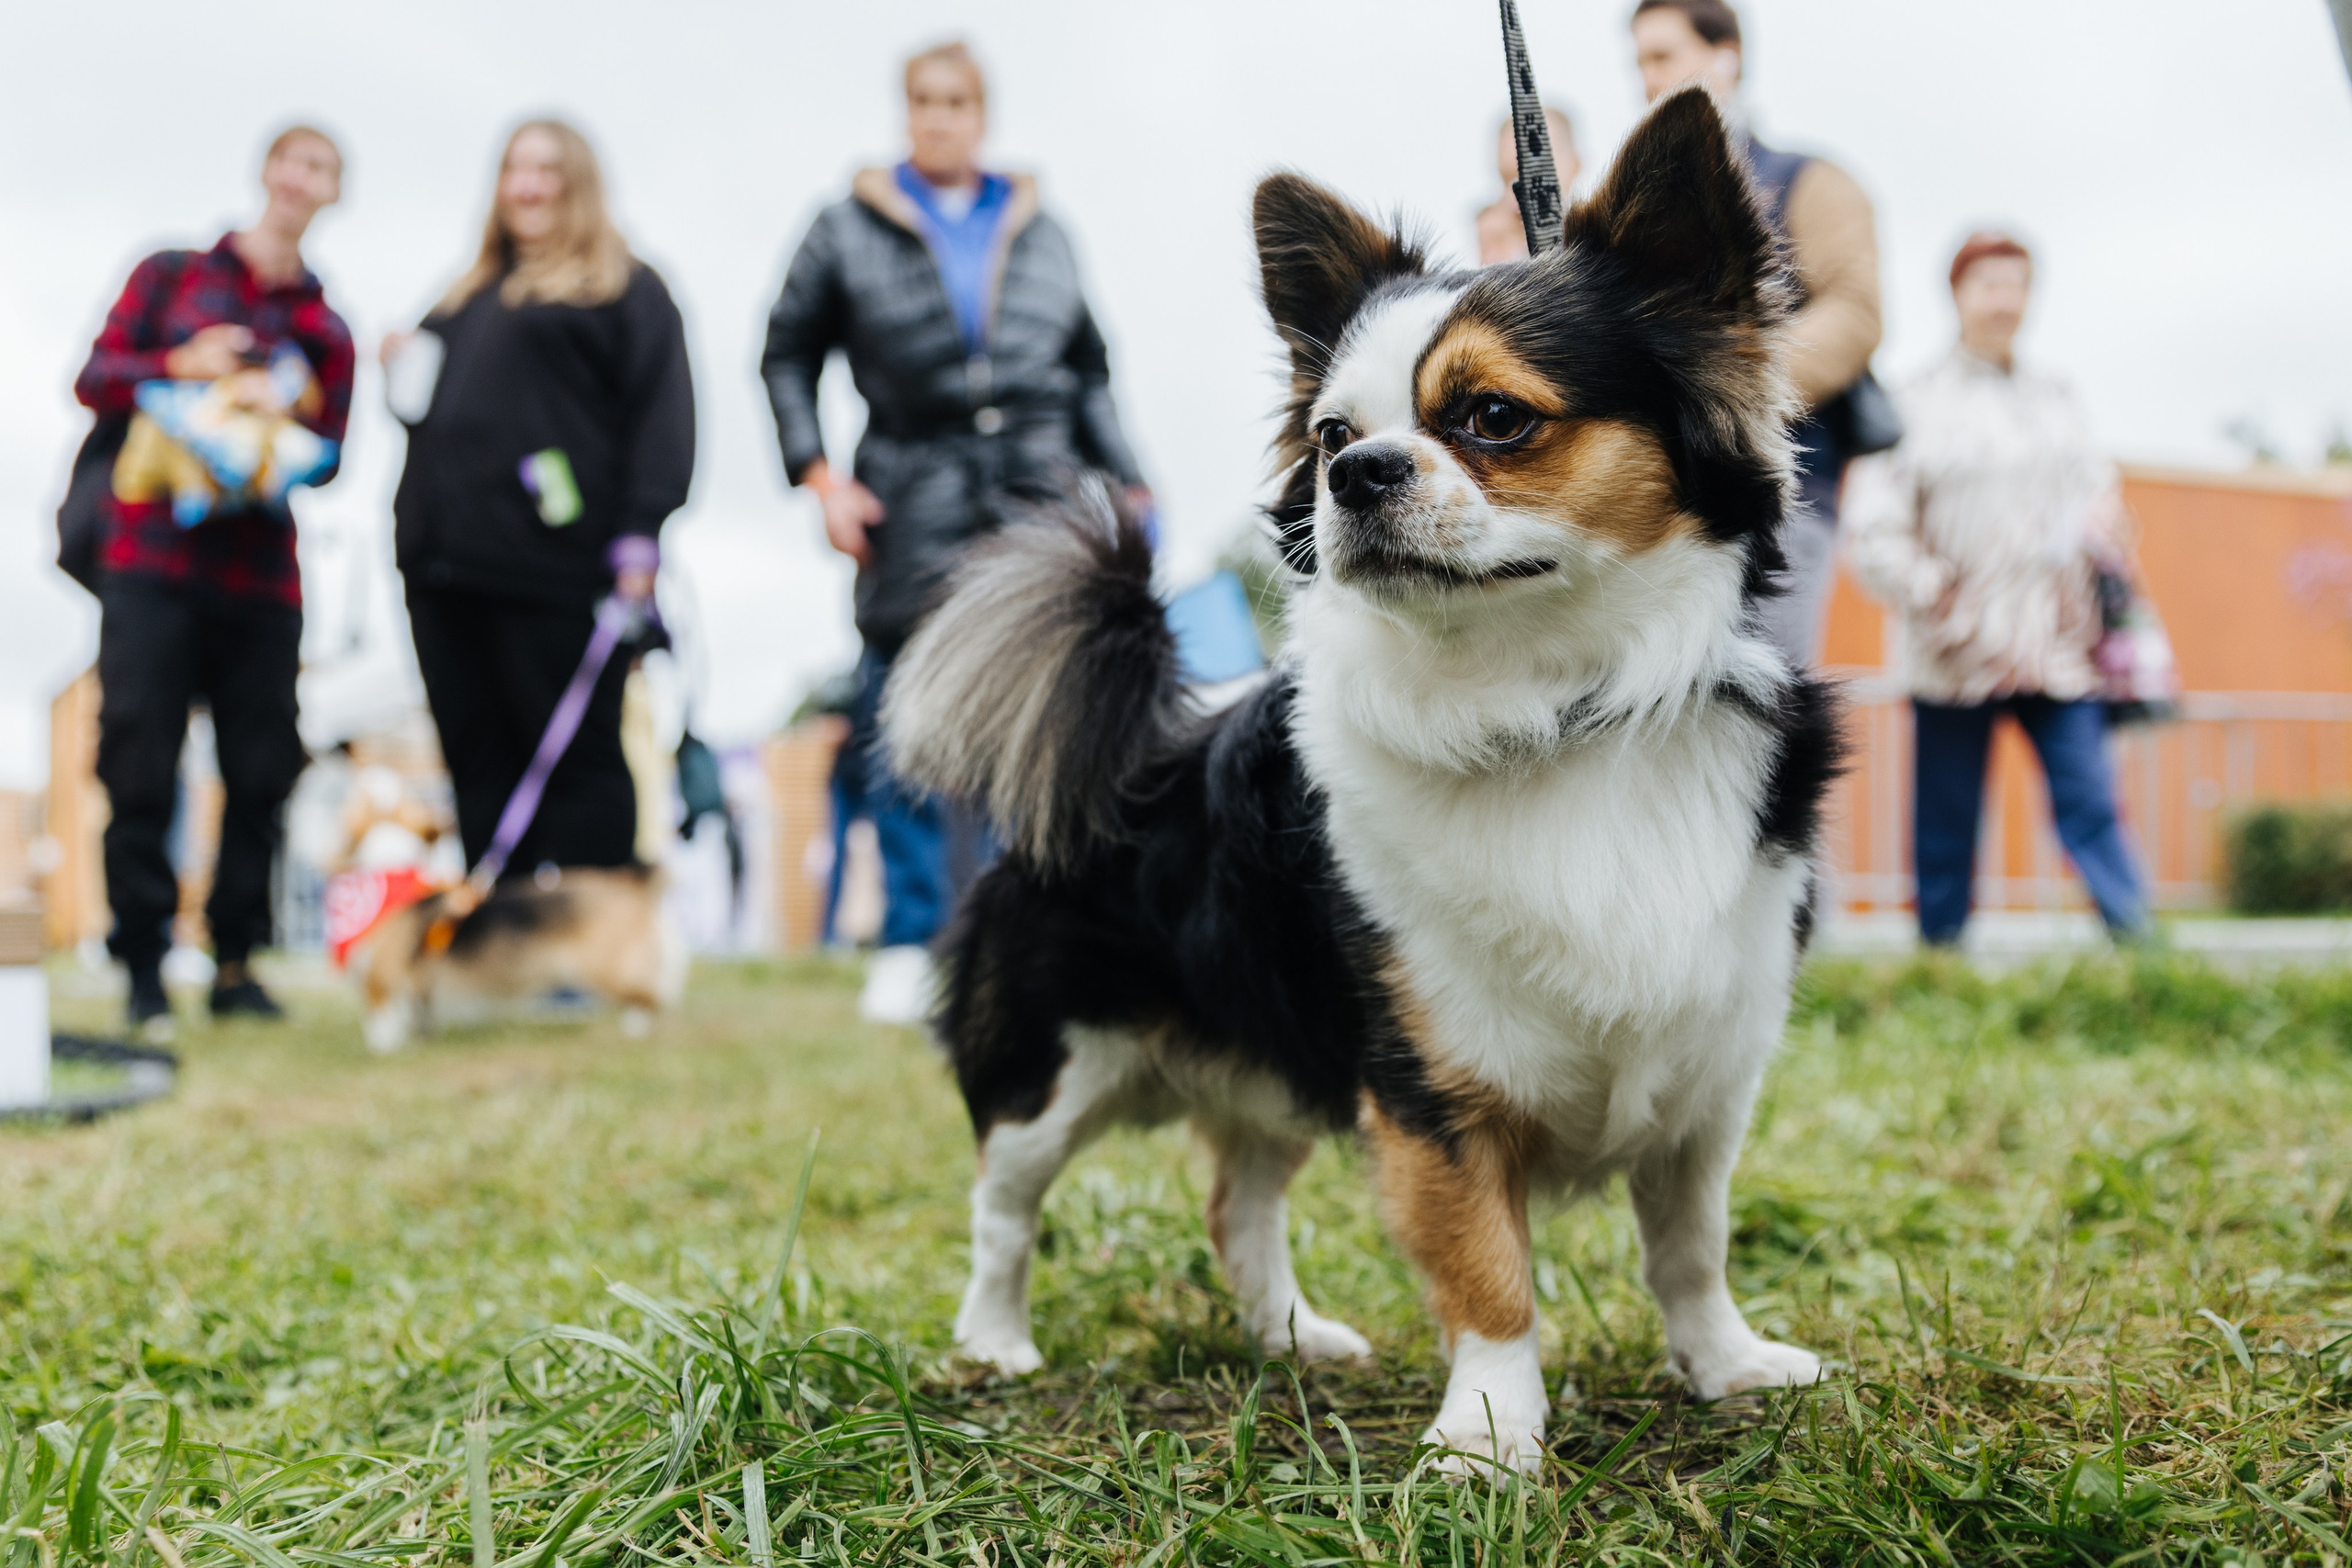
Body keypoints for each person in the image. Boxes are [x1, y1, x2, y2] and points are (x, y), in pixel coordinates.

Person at [761, 39, 1149, 1024]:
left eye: (957, 102)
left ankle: (1045, 939)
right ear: (905, 111)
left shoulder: (1044, 227)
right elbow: (786, 352)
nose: (939, 118)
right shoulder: (845, 225)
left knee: (1046, 710)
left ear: (982, 115)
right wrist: (820, 476)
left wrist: (1129, 481)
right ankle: (911, 937)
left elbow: (1087, 365)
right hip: (911, 485)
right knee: (907, 711)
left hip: (1038, 480)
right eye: (923, 102)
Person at [74, 126, 356, 1038]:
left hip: (260, 577)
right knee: (137, 753)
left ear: (333, 192)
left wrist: (291, 405)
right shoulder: (170, 276)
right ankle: (144, 966)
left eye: (322, 168)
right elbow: (94, 376)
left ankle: (236, 963)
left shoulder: (324, 331)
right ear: (267, 169)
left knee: (264, 765)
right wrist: (183, 367)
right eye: (294, 160)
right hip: (150, 562)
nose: (301, 179)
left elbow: (333, 457)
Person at [390, 120, 693, 884]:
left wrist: (641, 532)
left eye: (547, 170)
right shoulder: (461, 300)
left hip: (556, 563)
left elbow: (662, 415)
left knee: (576, 752)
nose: (527, 186)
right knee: (475, 750)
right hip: (443, 565)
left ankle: (598, 939)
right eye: (514, 169)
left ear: (578, 183)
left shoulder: (625, 289)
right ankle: (508, 939)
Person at [1843, 233, 2149, 947]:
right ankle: (1940, 957)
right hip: (1956, 653)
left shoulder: (2058, 399)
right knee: (1946, 816)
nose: (2005, 300)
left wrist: (2108, 531)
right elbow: (1876, 530)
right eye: (1990, 284)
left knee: (2090, 800)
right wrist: (1944, 605)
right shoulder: (1913, 402)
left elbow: (2097, 495)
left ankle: (2141, 948)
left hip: (2058, 651)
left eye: (2018, 284)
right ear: (1958, 294)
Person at [1630, 0, 1883, 666]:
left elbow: (1856, 312)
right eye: (1638, 63)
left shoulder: (1812, 180)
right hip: (1661, 496)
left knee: (1765, 699)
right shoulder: (1630, 202)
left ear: (1725, 57)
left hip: (1781, 489)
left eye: (1663, 57)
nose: (1647, 79)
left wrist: (1720, 395)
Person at [1476, 106, 1581, 265]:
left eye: (1534, 177)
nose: (1516, 197)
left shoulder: (1606, 247)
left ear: (1575, 165)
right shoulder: (1494, 238)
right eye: (1506, 179)